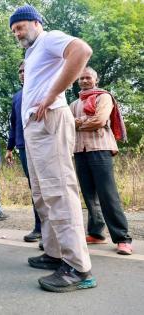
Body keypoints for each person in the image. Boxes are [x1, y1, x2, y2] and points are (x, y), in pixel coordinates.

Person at [10, 4, 96, 292]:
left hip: (50, 121)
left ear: (35, 22)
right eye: (13, 31)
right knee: (42, 193)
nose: (17, 33)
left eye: (20, 27)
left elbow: (82, 51)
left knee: (59, 189)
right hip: (35, 127)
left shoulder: (48, 38)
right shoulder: (32, 52)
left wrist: (51, 95)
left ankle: (78, 268)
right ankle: (55, 253)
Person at [70, 66, 132, 255]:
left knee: (107, 195)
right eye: (81, 78)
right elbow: (66, 125)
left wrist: (78, 122)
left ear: (95, 80)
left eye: (88, 77)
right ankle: (96, 234)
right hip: (79, 151)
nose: (84, 81)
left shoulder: (103, 97)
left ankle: (123, 238)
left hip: (100, 149)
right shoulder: (73, 103)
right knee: (89, 195)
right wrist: (84, 121)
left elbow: (100, 120)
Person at [5, 61, 41, 241]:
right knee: (34, 187)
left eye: (25, 71)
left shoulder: (42, 89)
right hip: (23, 146)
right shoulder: (17, 96)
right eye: (20, 71)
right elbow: (14, 124)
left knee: (47, 186)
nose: (22, 74)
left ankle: (54, 231)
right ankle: (39, 227)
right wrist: (10, 148)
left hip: (42, 144)